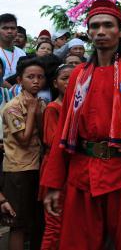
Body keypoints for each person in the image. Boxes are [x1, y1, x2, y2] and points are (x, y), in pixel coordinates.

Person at [41, 0, 121, 250]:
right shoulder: (78, 75)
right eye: (94, 26)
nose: (101, 31)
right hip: (80, 174)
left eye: (108, 25)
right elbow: (64, 130)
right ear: (88, 32)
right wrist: (53, 184)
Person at [2, 58, 47, 250]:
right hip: (18, 170)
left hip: (38, 166)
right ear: (20, 80)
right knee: (18, 225)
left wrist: (37, 113)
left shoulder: (41, 103)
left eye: (40, 77)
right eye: (30, 77)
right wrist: (31, 111)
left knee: (36, 223)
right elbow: (24, 139)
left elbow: (45, 136)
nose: (36, 81)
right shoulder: (12, 107)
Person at [40, 64, 74, 250]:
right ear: (55, 83)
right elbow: (54, 143)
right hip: (57, 168)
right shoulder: (53, 108)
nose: (69, 82)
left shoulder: (76, 107)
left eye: (73, 78)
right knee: (54, 224)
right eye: (64, 78)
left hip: (72, 169)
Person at [0, 14, 26, 83]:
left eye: (13, 28)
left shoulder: (22, 53)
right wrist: (12, 91)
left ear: (16, 31)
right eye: (5, 28)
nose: (9, 31)